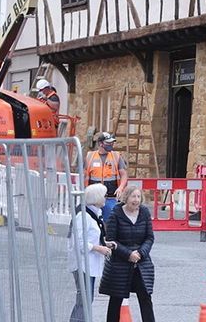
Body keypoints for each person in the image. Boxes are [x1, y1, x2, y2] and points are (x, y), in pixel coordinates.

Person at [100, 184, 155, 322]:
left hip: (141, 262)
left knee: (145, 297)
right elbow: (111, 240)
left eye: (138, 196)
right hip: (120, 263)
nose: (136, 200)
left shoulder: (144, 212)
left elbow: (149, 237)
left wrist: (141, 253)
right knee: (116, 298)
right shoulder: (116, 214)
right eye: (133, 196)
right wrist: (128, 254)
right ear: (126, 197)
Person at [68, 183, 113, 322]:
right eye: (104, 195)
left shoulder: (93, 214)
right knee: (85, 298)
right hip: (82, 263)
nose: (106, 198)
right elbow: (79, 242)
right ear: (97, 197)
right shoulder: (83, 216)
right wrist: (99, 248)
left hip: (89, 263)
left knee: (86, 298)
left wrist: (104, 243)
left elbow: (92, 237)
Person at [84, 132, 129, 220]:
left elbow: (124, 175)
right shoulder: (90, 156)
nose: (111, 145)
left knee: (110, 220)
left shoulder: (116, 156)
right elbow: (83, 175)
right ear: (101, 144)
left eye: (112, 143)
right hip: (93, 198)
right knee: (92, 220)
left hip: (110, 197)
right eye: (108, 143)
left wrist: (120, 188)